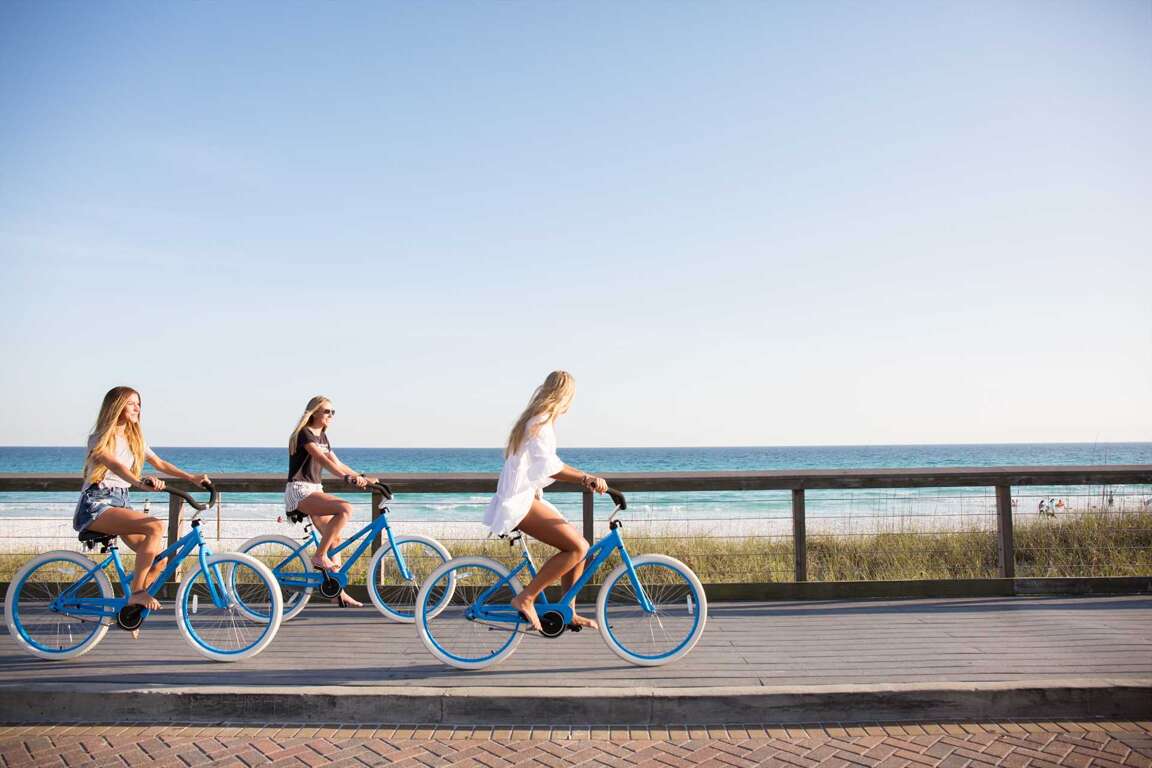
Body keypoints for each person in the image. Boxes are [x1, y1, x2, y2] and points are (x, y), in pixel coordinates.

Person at [484, 371, 608, 633]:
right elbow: (550, 468)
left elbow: (547, 465)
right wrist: (586, 478)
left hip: (524, 497)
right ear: (565, 397)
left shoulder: (538, 420)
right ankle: (526, 598)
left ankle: (568, 611)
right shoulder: (540, 422)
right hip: (519, 501)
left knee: (580, 548)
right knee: (578, 547)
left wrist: (584, 477)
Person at [74, 386, 211, 611]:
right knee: (155, 526)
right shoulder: (98, 439)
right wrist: (139, 482)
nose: (137, 408)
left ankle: (131, 612)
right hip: (97, 505)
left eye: (139, 404)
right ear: (116, 407)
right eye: (131, 403)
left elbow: (160, 463)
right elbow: (116, 466)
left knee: (159, 561)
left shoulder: (134, 439)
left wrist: (191, 478)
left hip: (121, 502)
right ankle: (138, 593)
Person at [286, 395, 379, 607]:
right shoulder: (305, 434)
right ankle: (319, 556)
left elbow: (337, 462)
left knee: (335, 540)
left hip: (315, 490)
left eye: (332, 412)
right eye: (327, 411)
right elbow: (322, 460)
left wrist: (362, 477)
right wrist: (345, 478)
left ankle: (338, 592)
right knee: (345, 508)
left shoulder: (323, 437)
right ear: (314, 413)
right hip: (300, 491)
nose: (331, 415)